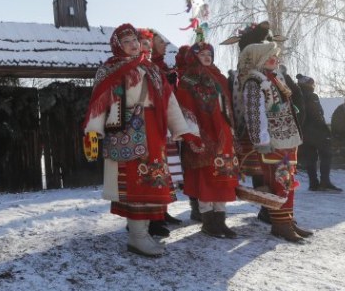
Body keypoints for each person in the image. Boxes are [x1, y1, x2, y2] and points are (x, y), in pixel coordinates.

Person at [84, 23, 202, 257]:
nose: (132, 45)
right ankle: (137, 236)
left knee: (152, 181)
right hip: (126, 133)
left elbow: (169, 102)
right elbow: (99, 102)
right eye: (126, 42)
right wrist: (92, 130)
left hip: (153, 133)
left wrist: (183, 129)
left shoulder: (152, 69)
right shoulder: (109, 70)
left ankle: (144, 233)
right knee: (134, 183)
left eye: (134, 41)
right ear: (117, 45)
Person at [237, 41, 311, 242]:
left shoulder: (276, 78)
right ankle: (279, 224)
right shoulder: (254, 82)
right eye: (270, 55)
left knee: (288, 181)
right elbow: (254, 114)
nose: (275, 59)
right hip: (272, 141)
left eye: (276, 56)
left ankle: (287, 219)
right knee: (278, 181)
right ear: (258, 58)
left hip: (287, 138)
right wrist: (260, 140)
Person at [174, 42, 240, 238]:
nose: (206, 56)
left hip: (223, 134)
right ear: (193, 57)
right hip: (203, 134)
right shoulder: (189, 78)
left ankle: (220, 220)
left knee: (224, 177)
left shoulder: (218, 76)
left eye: (208, 53)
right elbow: (185, 107)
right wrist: (193, 134)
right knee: (206, 177)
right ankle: (208, 220)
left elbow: (228, 106)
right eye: (201, 54)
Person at [140, 28, 183, 233]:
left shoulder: (161, 68)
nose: (165, 45)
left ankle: (161, 210)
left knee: (163, 169)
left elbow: (169, 98)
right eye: (160, 41)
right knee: (152, 167)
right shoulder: (147, 68)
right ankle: (150, 216)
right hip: (146, 126)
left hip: (162, 125)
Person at [296, 74, 340, 192]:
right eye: (313, 83)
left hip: (303, 132)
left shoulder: (294, 96)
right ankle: (325, 181)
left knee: (310, 158)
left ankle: (313, 183)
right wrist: (324, 129)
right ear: (309, 84)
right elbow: (317, 114)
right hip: (317, 131)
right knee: (326, 155)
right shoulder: (312, 96)